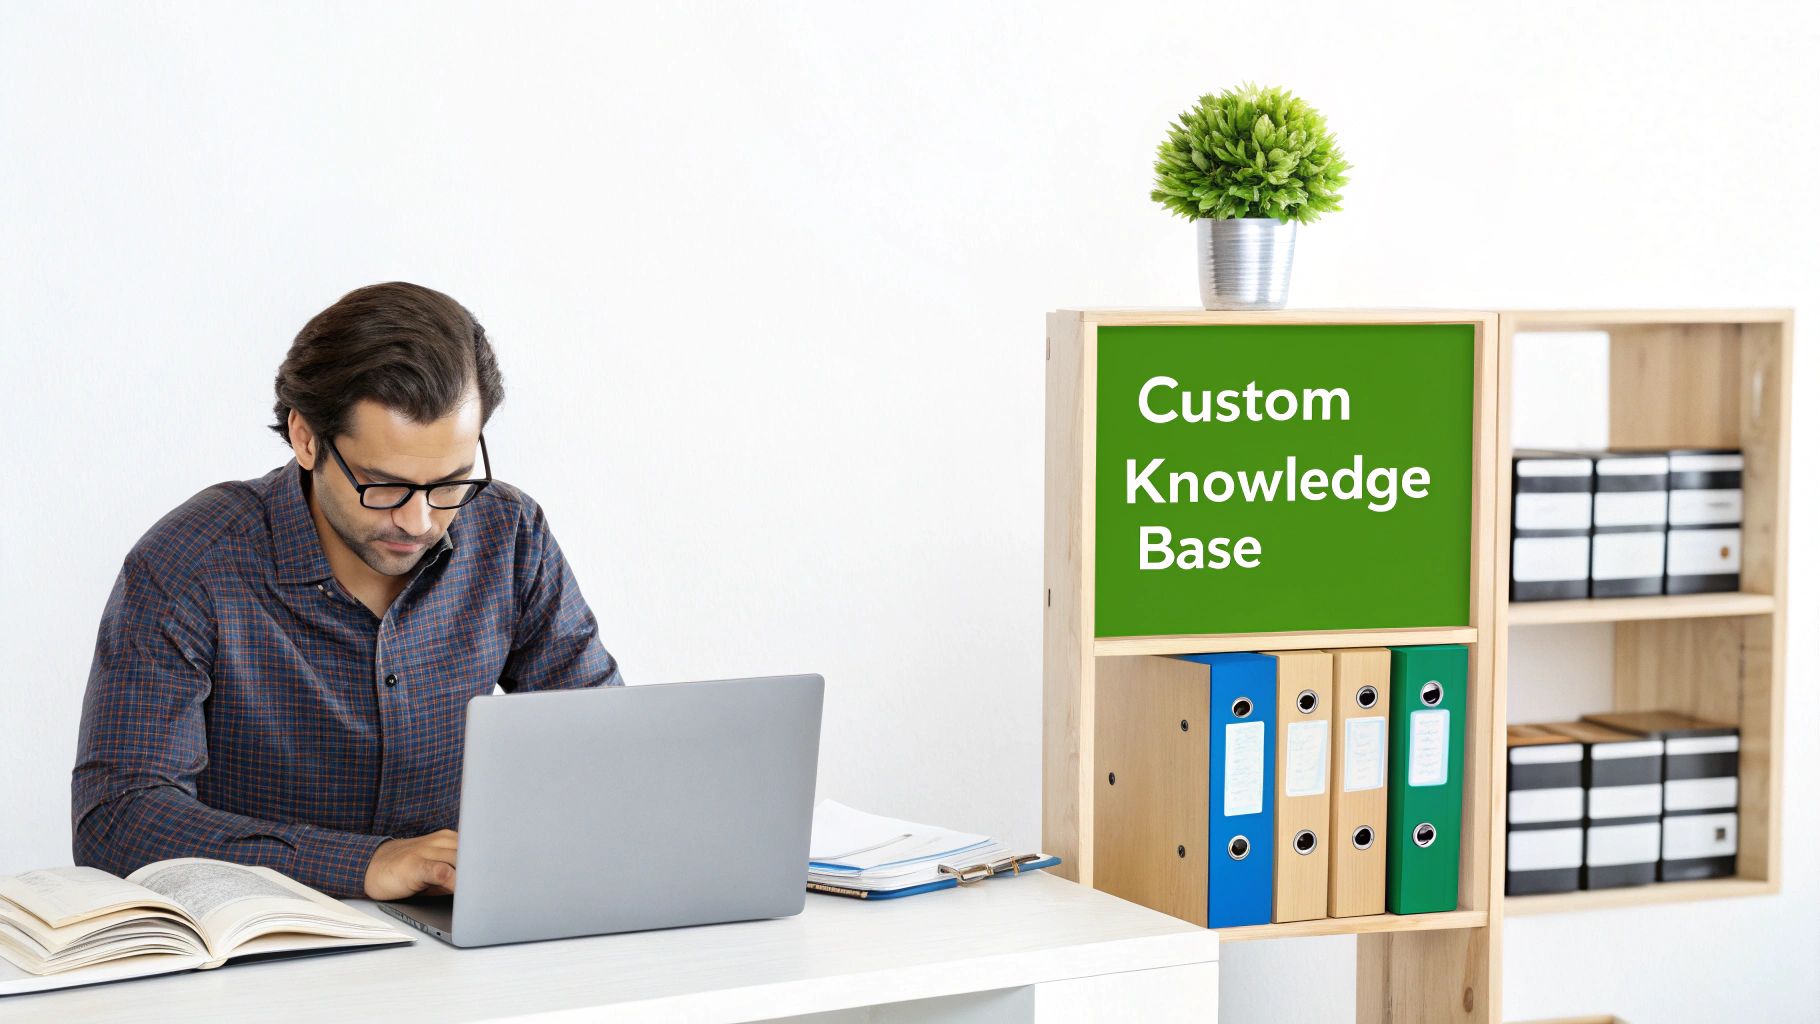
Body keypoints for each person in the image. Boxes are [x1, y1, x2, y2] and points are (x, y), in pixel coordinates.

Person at [71, 282, 622, 900]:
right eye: (384, 486)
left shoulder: (508, 534)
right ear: (306, 438)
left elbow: (602, 750)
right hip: (258, 959)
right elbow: (116, 819)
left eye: (451, 481)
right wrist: (363, 864)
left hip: (462, 948)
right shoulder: (190, 565)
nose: (418, 521)